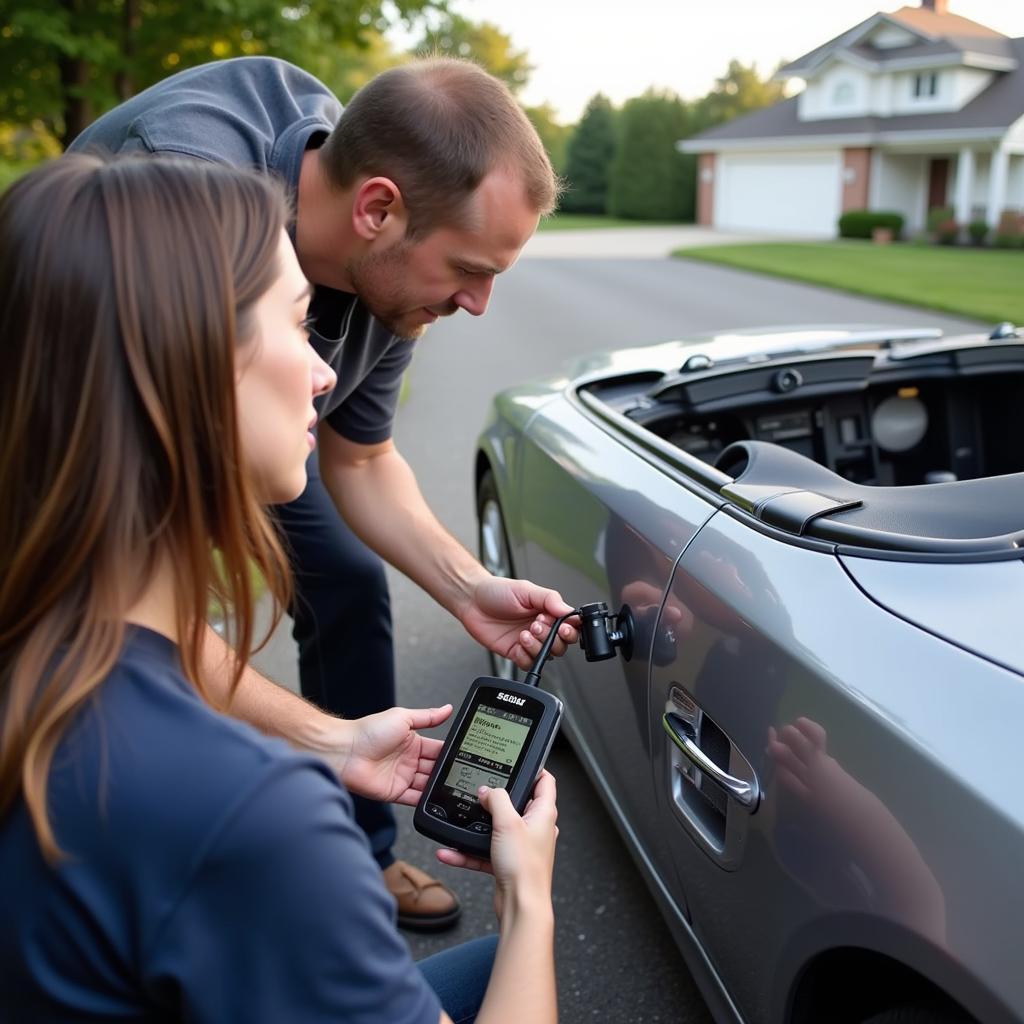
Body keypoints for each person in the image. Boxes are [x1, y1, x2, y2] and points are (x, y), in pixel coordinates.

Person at [0, 153, 559, 1024]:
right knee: (508, 959)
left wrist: (329, 744)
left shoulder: (36, 636)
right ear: (184, 361)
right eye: (299, 326)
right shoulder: (255, 821)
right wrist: (531, 905)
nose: (325, 373)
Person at [68, 54, 578, 931]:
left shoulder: (385, 265)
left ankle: (361, 858)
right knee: (138, 642)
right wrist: (303, 743)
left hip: (250, 409)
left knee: (343, 576)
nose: (481, 303)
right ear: (376, 209)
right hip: (109, 419)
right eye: (467, 266)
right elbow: (127, 608)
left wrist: (466, 590)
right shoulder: (193, 211)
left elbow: (361, 457)